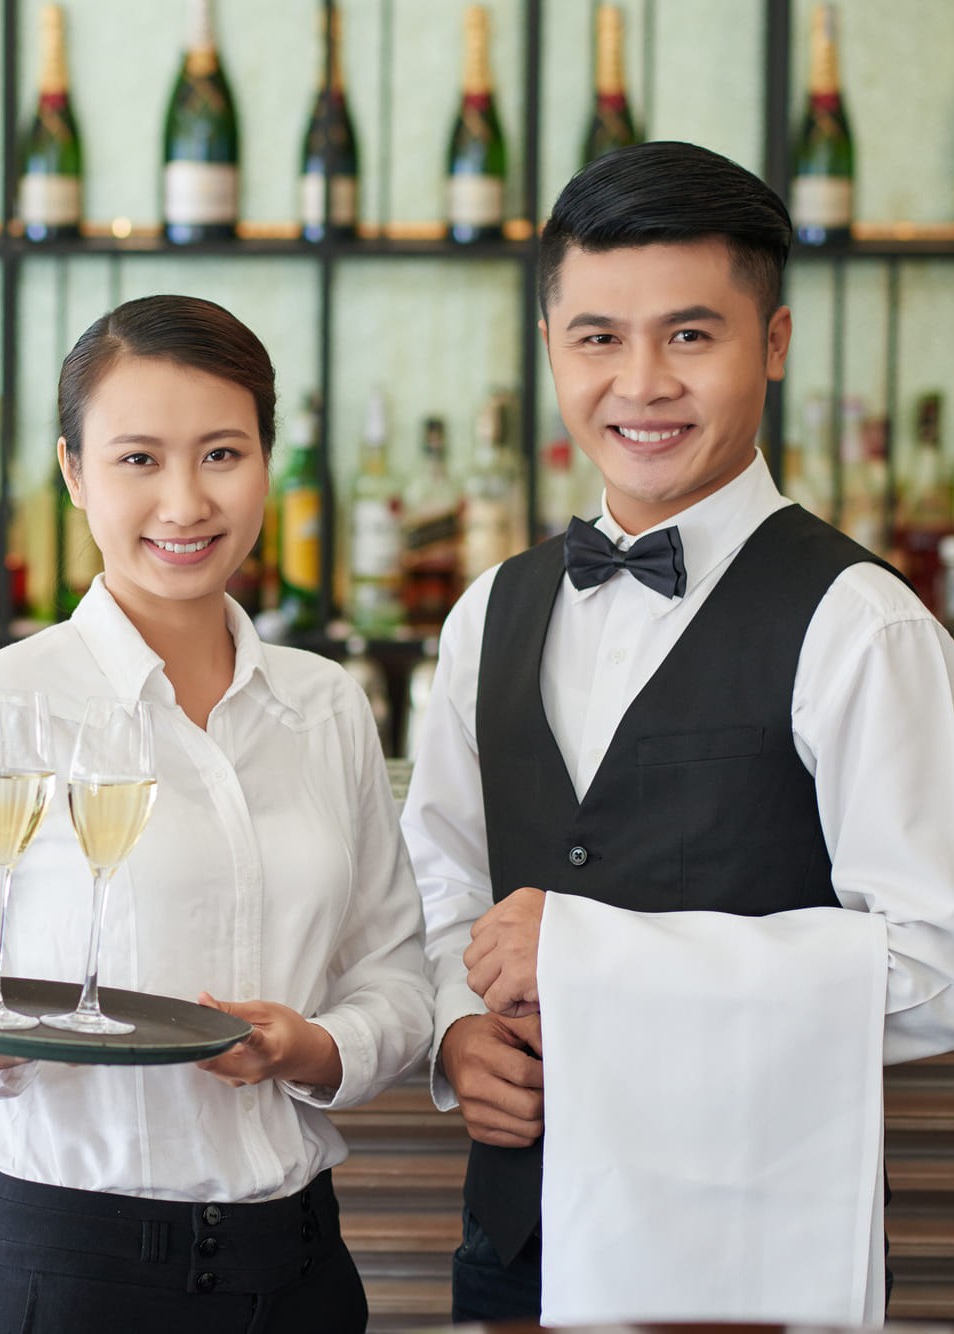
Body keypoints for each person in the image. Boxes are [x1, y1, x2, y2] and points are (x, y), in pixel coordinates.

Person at [402, 138, 954, 1321]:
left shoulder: (862, 623)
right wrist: (454, 1028)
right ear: (550, 346)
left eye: (689, 335)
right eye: (597, 337)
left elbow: (936, 961)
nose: (641, 383)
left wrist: (597, 961)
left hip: (750, 1248)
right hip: (517, 1227)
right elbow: (438, 883)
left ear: (774, 342)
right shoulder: (488, 609)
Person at [0, 294, 433, 1332]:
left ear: (266, 461)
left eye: (222, 454)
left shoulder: (324, 705)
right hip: (80, 1270)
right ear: (74, 473)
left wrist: (311, 1047)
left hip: (300, 1269)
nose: (185, 502)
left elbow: (395, 973)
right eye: (138, 460)